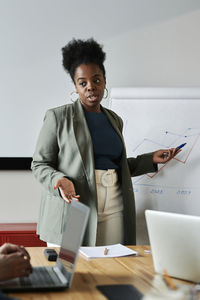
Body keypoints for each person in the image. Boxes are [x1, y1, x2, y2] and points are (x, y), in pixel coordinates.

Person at [31, 38, 178, 247]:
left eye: (96, 80)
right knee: (71, 272)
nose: (91, 87)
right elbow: (39, 164)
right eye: (83, 83)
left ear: (105, 81)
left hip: (114, 206)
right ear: (75, 86)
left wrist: (150, 160)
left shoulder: (114, 120)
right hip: (76, 206)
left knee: (111, 267)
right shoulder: (58, 117)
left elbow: (116, 166)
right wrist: (59, 179)